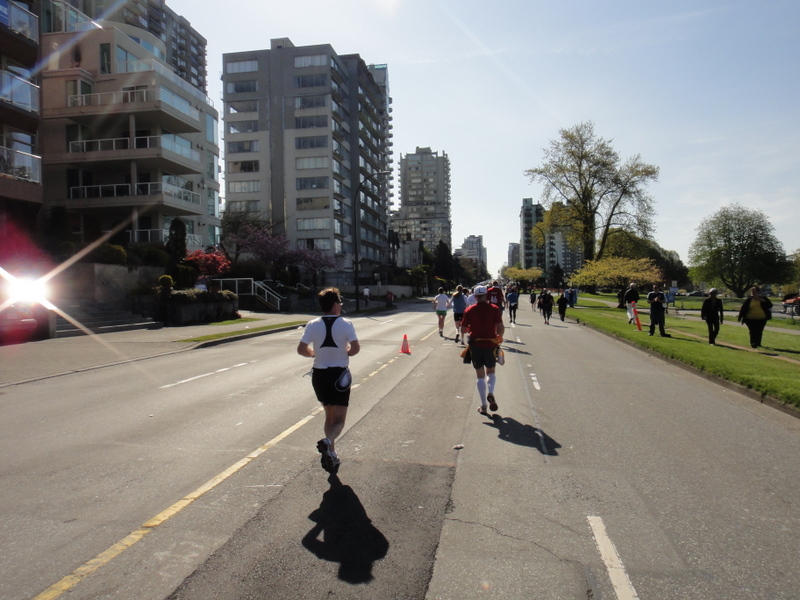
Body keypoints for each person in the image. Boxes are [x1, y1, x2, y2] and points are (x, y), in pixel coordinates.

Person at [297, 288, 360, 474]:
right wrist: (345, 352)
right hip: (338, 375)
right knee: (339, 420)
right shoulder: (346, 323)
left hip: (319, 375)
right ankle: (328, 442)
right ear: (334, 305)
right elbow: (355, 348)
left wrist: (314, 353)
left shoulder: (312, 324)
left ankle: (331, 453)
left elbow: (301, 349)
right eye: (339, 303)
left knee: (329, 415)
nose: (341, 306)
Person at [461, 285, 505, 416]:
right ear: (486, 295)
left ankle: (483, 405)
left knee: (479, 374)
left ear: (474, 297)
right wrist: (499, 337)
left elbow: (463, 329)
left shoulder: (469, 310)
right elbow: (501, 327)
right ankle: (491, 392)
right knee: (490, 371)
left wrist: (471, 329)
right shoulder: (494, 309)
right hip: (490, 344)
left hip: (475, 344)